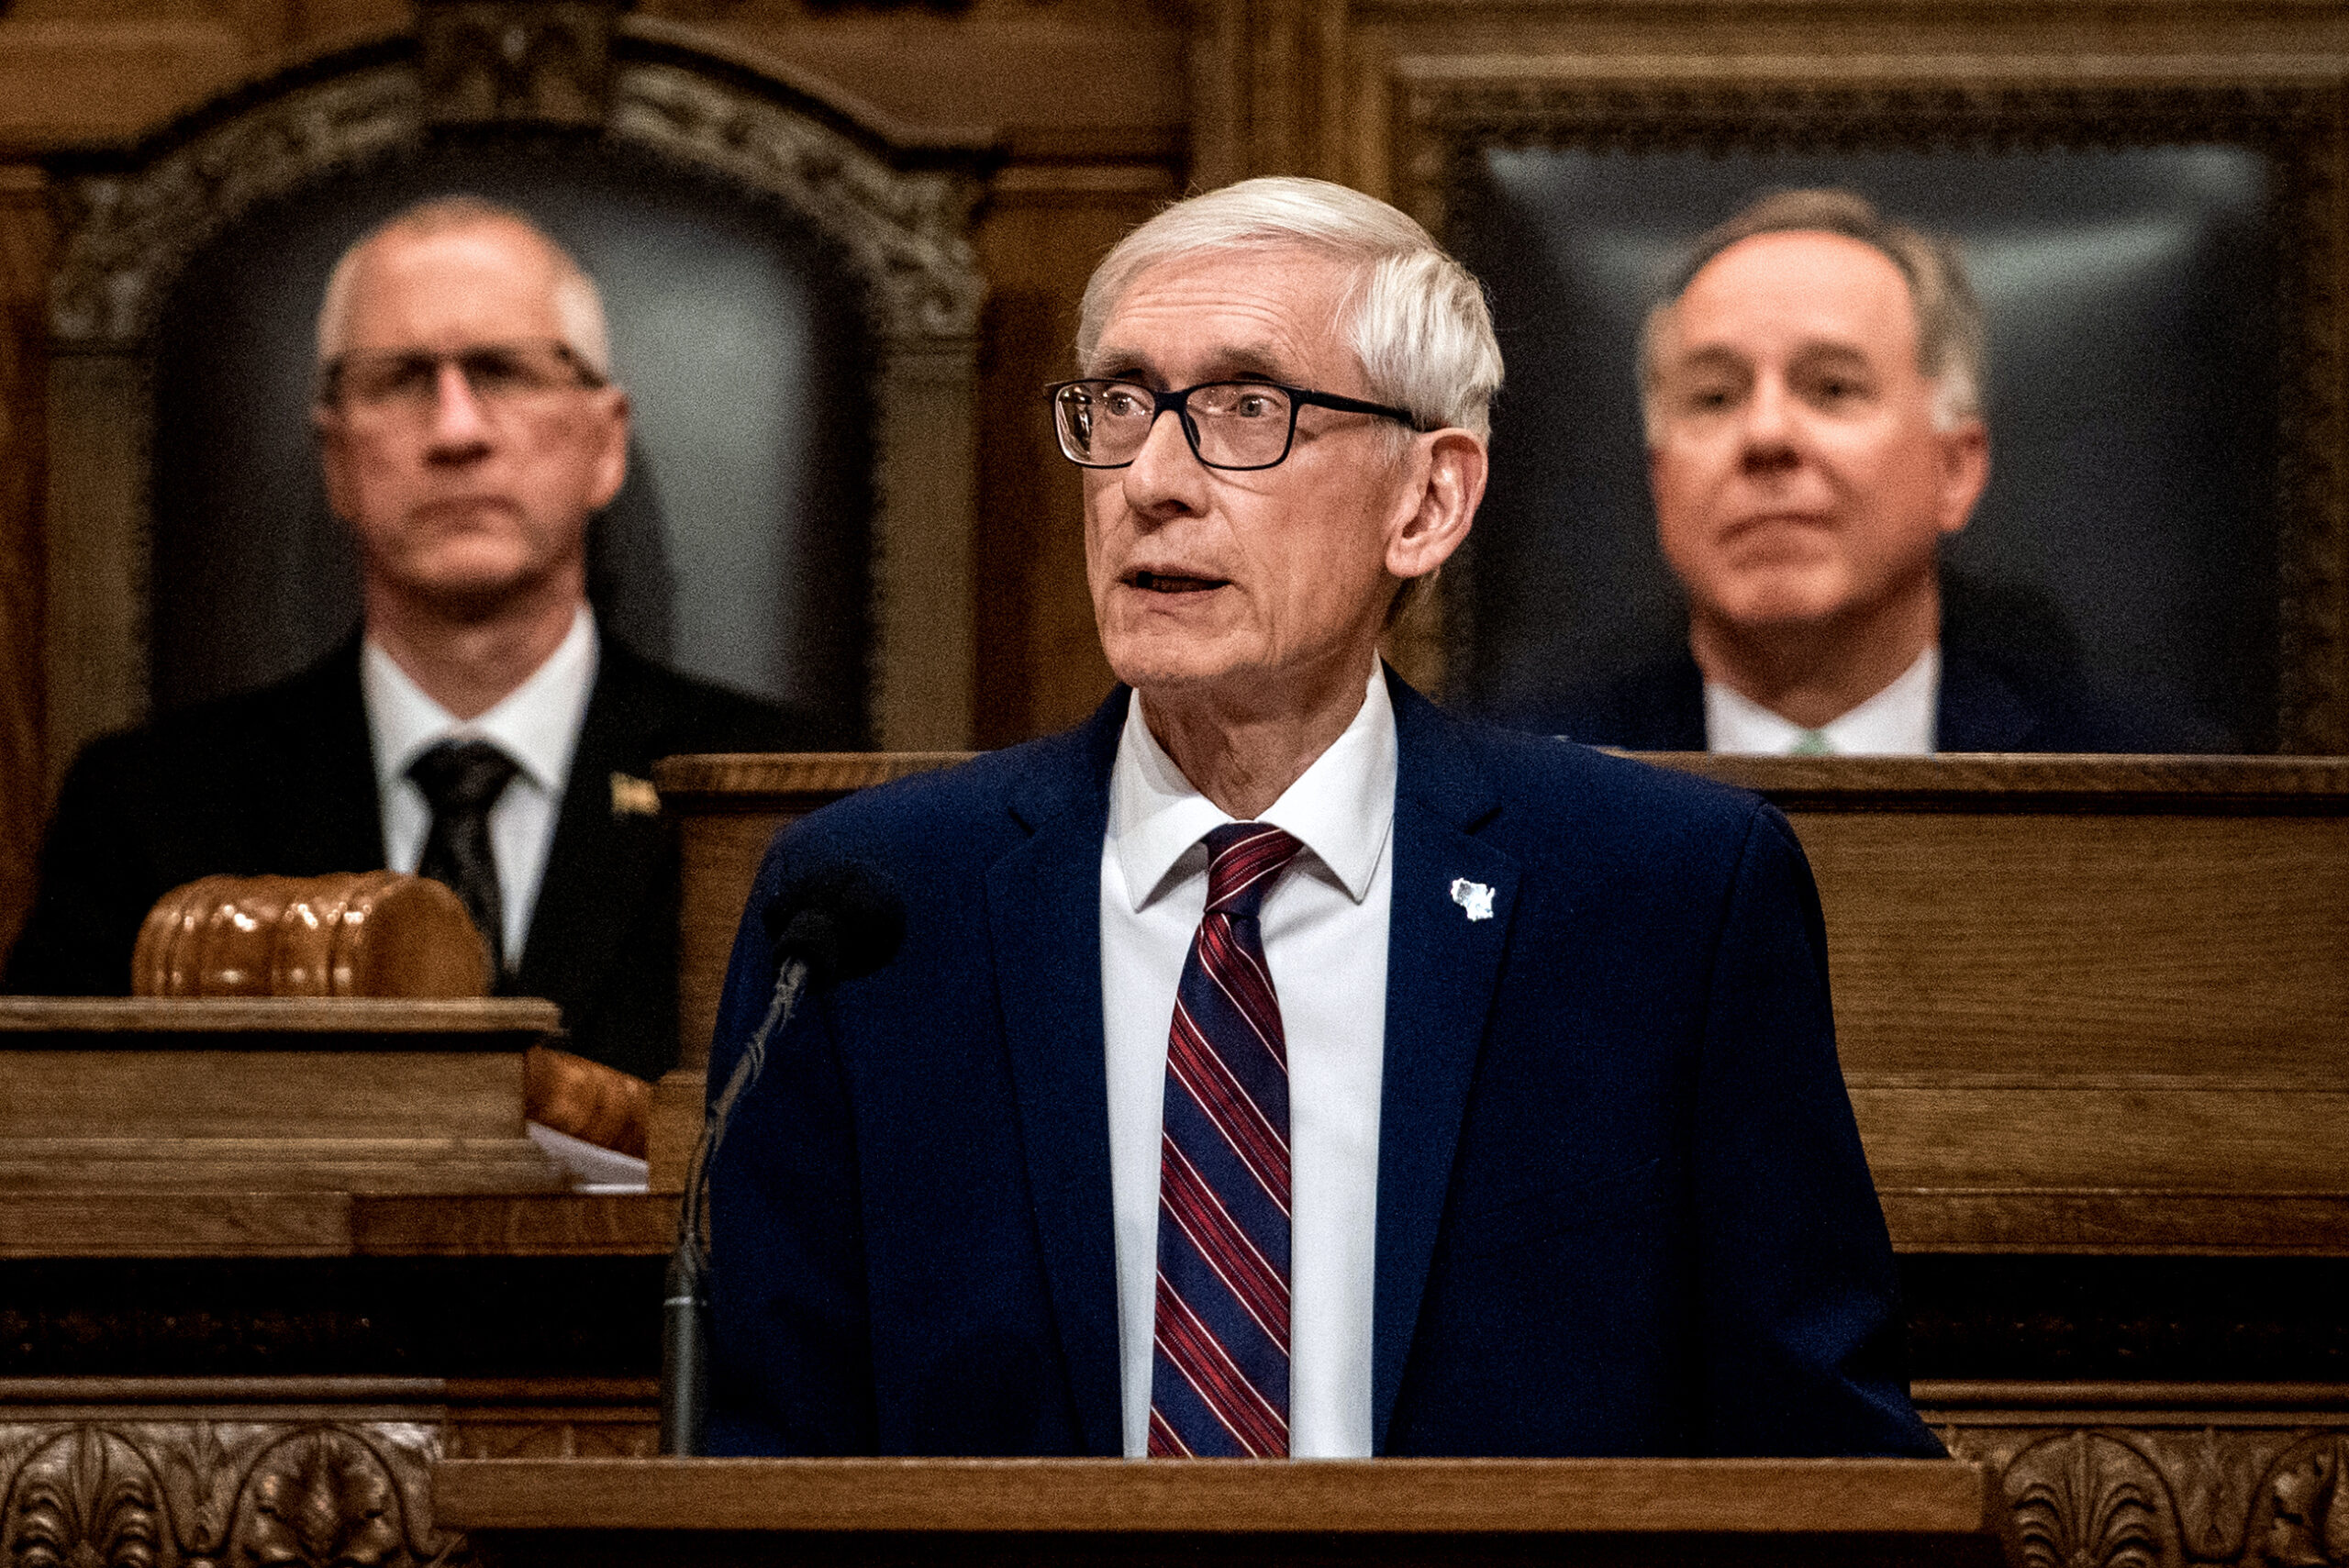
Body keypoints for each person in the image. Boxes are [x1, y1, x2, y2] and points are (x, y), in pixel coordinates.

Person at [703, 176, 1938, 1459]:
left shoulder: (1665, 901)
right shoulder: (872, 911)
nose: (1154, 479)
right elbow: (764, 1465)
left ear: (1429, 502)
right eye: (1121, 406)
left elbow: (1824, 1455)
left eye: (1248, 409)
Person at [6, 195, 825, 1080]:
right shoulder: (149, 812)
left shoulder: (777, 802)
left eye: (505, 370)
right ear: (337, 459)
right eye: (398, 379)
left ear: (605, 442)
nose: (456, 430)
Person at [1525, 188, 2224, 754]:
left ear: (1955, 468)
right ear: (1659, 480)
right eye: (1715, 396)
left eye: (1832, 388)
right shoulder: (1533, 784)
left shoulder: (2141, 782)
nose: (1766, 434)